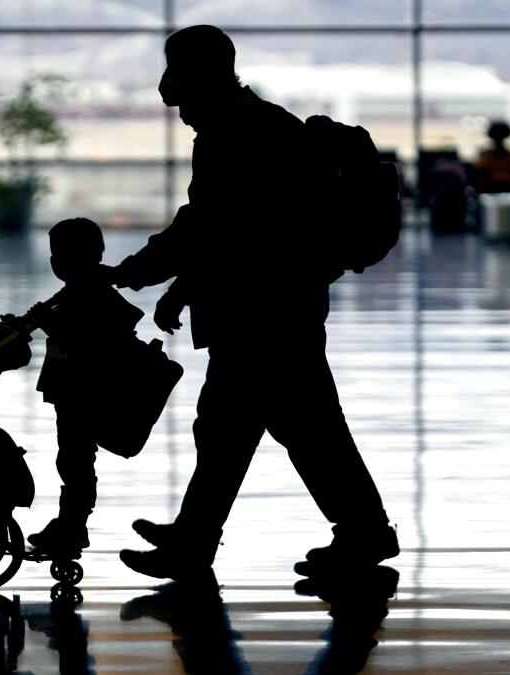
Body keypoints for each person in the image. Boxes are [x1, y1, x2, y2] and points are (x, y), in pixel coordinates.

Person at [110, 26, 397, 580]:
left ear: (204, 82)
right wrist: (179, 287)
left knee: (273, 429)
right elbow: (228, 232)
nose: (183, 115)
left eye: (185, 102)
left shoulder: (244, 135)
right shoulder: (248, 126)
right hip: (271, 307)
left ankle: (357, 533)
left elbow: (212, 228)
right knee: (248, 429)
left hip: (267, 314)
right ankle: (200, 538)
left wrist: (139, 273)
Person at [26, 218, 144, 551]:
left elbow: (86, 339)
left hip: (83, 393)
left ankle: (73, 523)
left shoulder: (89, 294)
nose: (54, 262)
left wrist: (48, 323)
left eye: (59, 254)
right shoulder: (80, 289)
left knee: (75, 460)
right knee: (74, 459)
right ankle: (71, 522)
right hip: (76, 392)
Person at [474, 120, 510, 195]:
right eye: (497, 137)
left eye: (501, 136)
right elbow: (478, 169)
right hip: (491, 187)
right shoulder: (486, 154)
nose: (499, 140)